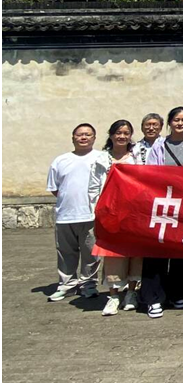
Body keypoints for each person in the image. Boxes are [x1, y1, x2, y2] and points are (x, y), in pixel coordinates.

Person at [141, 107, 183, 318]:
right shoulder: (159, 145)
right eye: (176, 120)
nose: (180, 123)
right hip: (161, 203)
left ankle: (178, 293)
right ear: (169, 122)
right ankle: (153, 298)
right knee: (156, 251)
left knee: (180, 250)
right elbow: (151, 173)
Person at [46, 123, 108, 303]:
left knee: (91, 253)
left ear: (94, 138)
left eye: (88, 134)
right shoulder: (61, 160)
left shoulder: (102, 158)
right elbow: (55, 188)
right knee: (65, 253)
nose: (83, 137)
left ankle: (88, 285)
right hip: (65, 215)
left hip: (91, 215)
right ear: (73, 138)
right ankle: (67, 285)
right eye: (80, 134)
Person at [90, 120, 140, 316]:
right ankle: (113, 296)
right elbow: (93, 187)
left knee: (136, 253)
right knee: (113, 254)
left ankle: (132, 293)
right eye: (118, 133)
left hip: (134, 213)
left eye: (126, 133)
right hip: (110, 213)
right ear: (111, 135)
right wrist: (97, 211)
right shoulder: (102, 159)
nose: (122, 136)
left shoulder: (137, 157)